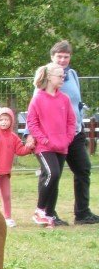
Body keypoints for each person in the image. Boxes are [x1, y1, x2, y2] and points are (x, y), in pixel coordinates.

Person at [49, 40, 99, 225]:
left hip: (75, 133)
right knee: (54, 174)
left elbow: (76, 103)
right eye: (59, 56)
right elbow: (37, 104)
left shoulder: (73, 74)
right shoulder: (46, 75)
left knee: (83, 169)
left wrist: (80, 125)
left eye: (66, 56)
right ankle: (49, 214)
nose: (62, 60)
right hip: (56, 135)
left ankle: (83, 213)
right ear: (52, 57)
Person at [27, 63, 75, 227]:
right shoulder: (38, 99)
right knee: (52, 174)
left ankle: (48, 215)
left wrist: (67, 139)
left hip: (62, 146)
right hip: (44, 146)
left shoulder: (65, 99)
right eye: (60, 76)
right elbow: (32, 123)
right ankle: (39, 210)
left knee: (54, 180)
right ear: (49, 76)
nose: (63, 79)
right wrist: (44, 140)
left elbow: (71, 122)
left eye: (64, 76)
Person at [0, 107, 34, 228]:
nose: (4, 122)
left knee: (6, 195)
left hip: (5, 173)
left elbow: (20, 150)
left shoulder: (13, 137)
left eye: (7, 119)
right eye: (1, 120)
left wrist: (29, 147)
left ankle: (7, 217)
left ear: (11, 121)